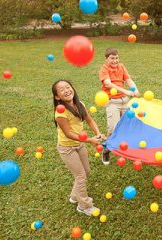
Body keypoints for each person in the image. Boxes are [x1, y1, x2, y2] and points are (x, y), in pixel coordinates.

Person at [52, 80, 105, 216]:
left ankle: (75, 196)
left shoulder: (80, 105)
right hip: (67, 148)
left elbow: (90, 120)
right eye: (62, 89)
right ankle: (84, 206)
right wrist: (90, 140)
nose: (67, 90)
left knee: (86, 171)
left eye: (68, 87)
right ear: (57, 97)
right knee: (80, 175)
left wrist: (98, 133)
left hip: (79, 144)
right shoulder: (60, 113)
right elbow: (69, 134)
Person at [98, 48, 140, 165]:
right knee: (112, 129)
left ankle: (126, 150)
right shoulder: (104, 69)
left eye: (116, 58)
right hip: (112, 101)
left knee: (126, 126)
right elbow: (108, 83)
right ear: (106, 59)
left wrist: (135, 89)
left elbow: (128, 79)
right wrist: (126, 91)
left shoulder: (121, 66)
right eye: (112, 58)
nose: (115, 61)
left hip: (125, 101)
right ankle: (106, 150)